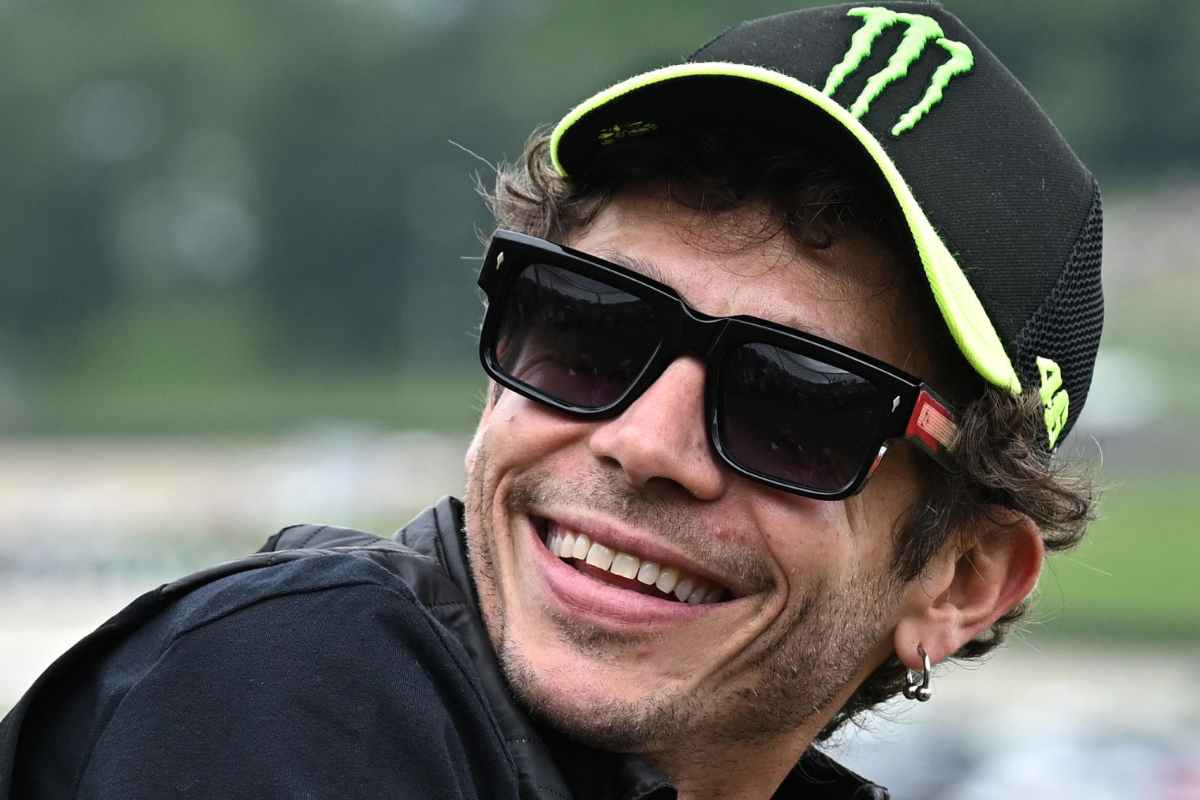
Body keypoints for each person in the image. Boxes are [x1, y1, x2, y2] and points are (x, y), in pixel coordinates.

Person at [1, 3, 1102, 798]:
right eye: (592, 329)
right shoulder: (300, 682)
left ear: (964, 578)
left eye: (795, 404)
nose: (643, 441)